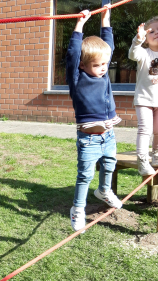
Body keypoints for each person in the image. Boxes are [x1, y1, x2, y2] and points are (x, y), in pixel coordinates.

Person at [66, 6, 123, 233]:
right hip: (88, 138)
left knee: (110, 164)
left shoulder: (104, 74)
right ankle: (78, 209)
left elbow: (107, 45)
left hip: (107, 135)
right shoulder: (77, 79)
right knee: (85, 174)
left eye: (105, 64)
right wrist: (80, 23)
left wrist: (105, 18)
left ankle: (104, 191)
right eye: (97, 65)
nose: (102, 69)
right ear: (82, 65)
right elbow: (72, 54)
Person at [128, 16, 158, 176]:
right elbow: (132, 54)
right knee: (145, 129)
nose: (156, 33)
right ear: (146, 38)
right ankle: (142, 161)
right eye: (152, 31)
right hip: (144, 99)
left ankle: (157, 154)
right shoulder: (143, 52)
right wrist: (137, 40)